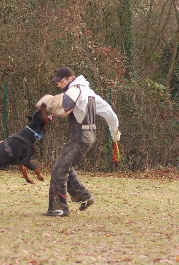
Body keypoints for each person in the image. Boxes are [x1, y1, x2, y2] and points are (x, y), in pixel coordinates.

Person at [36, 66, 121, 217]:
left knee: (59, 169)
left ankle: (59, 208)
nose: (59, 85)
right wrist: (115, 136)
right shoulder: (90, 93)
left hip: (80, 137)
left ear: (70, 78)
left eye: (61, 82)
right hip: (88, 135)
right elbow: (110, 114)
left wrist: (47, 106)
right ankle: (84, 197)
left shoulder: (75, 90)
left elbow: (63, 107)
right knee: (64, 165)